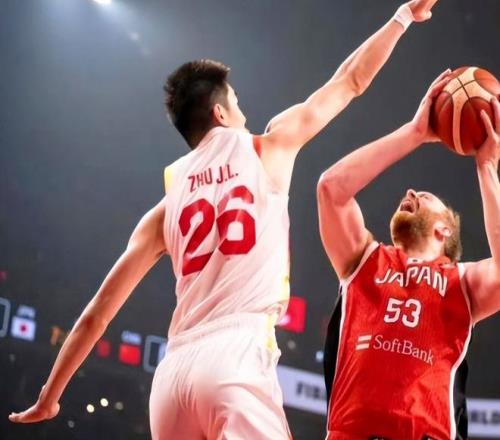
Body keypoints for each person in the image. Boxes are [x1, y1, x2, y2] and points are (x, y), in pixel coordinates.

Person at [10, 1, 441, 438]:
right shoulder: (267, 148)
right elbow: (350, 81)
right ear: (220, 113)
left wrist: (50, 396)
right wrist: (402, 17)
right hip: (235, 357)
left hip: (173, 377)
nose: (243, 112)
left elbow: (97, 316)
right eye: (236, 103)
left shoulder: (165, 207)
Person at [317, 70, 500, 439]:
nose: (412, 191)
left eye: (426, 197)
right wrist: (414, 133)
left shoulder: (464, 283)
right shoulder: (363, 259)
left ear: (444, 230)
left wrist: (486, 168)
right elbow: (331, 188)